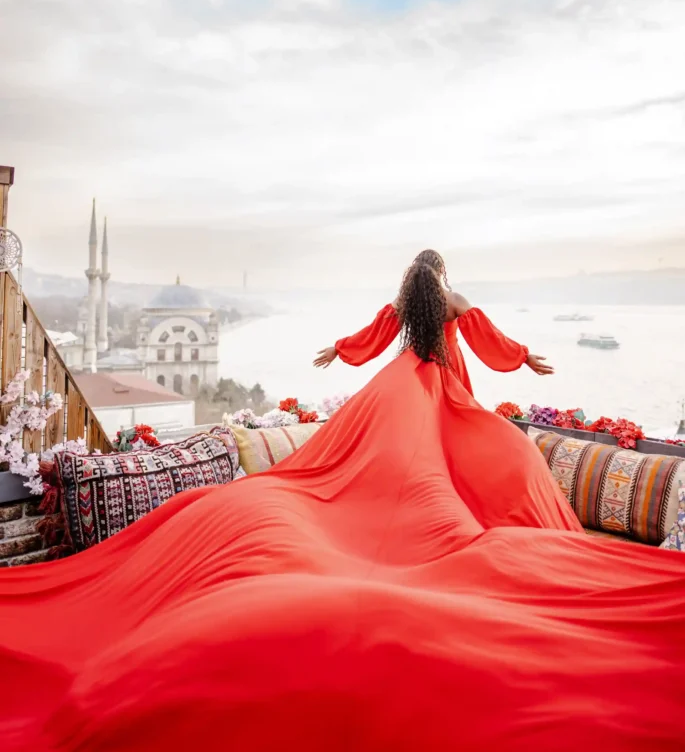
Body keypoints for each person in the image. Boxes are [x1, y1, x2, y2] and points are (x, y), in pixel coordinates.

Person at [1, 251, 684, 751]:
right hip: (438, 387)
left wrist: (333, 352)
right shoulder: (450, 304)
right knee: (461, 456)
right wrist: (527, 361)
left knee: (399, 461)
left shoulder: (405, 308)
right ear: (440, 279)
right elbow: (488, 343)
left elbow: (369, 340)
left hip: (398, 384)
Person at [314, 248, 554, 392]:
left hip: (412, 365)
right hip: (450, 365)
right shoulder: (455, 301)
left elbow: (374, 334)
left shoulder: (403, 302)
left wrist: (339, 348)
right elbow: (489, 338)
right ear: (440, 272)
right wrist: (522, 357)